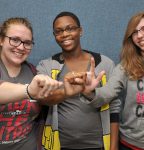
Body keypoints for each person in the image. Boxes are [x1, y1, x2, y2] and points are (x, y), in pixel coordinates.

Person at [37, 11, 120, 150]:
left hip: (99, 145)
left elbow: (114, 107)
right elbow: (42, 99)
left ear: (80, 31)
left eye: (70, 28)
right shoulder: (47, 66)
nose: (64, 34)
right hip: (59, 145)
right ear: (55, 36)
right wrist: (66, 92)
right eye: (59, 31)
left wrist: (113, 147)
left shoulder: (104, 64)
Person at [0, 17, 86, 150]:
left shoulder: (33, 72)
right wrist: (28, 90)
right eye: (15, 40)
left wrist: (66, 91)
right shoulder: (33, 83)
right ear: (1, 40)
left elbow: (45, 100)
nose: (21, 47)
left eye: (27, 43)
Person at [82, 11, 144, 150]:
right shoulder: (126, 66)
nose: (140, 35)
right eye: (135, 32)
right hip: (131, 143)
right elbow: (107, 93)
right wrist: (90, 92)